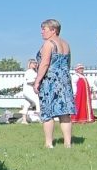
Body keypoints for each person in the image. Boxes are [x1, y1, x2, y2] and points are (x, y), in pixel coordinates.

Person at [33, 19, 76, 148]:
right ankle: (67, 143)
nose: (42, 32)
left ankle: (48, 143)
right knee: (65, 113)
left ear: (53, 30)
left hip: (50, 81)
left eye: (44, 29)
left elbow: (45, 63)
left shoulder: (48, 44)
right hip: (64, 80)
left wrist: (37, 81)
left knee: (48, 112)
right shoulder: (66, 44)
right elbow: (68, 64)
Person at [19, 58, 42, 124]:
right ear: (30, 64)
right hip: (28, 90)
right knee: (37, 102)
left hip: (30, 91)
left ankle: (24, 120)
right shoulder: (29, 72)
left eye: (36, 63)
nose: (35, 64)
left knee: (27, 104)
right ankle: (40, 118)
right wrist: (37, 81)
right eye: (33, 63)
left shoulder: (34, 72)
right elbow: (29, 82)